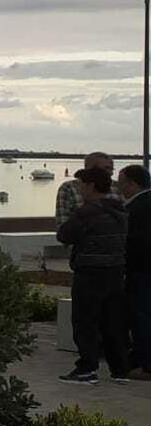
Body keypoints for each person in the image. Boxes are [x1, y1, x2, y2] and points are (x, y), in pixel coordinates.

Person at [57, 167, 131, 384]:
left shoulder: (86, 212)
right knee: (113, 322)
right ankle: (120, 369)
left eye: (81, 184)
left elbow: (64, 235)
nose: (79, 189)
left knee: (85, 321)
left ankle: (87, 367)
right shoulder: (121, 211)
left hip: (89, 271)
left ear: (90, 185)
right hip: (116, 270)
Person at [120, 164, 151, 380]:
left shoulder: (138, 208)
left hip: (141, 271)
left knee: (142, 317)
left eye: (121, 183)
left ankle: (146, 365)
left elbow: (135, 243)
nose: (119, 188)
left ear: (132, 183)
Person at [58, 152, 115, 226]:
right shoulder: (69, 188)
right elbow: (62, 223)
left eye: (112, 169)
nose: (111, 173)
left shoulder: (117, 187)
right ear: (90, 168)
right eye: (106, 168)